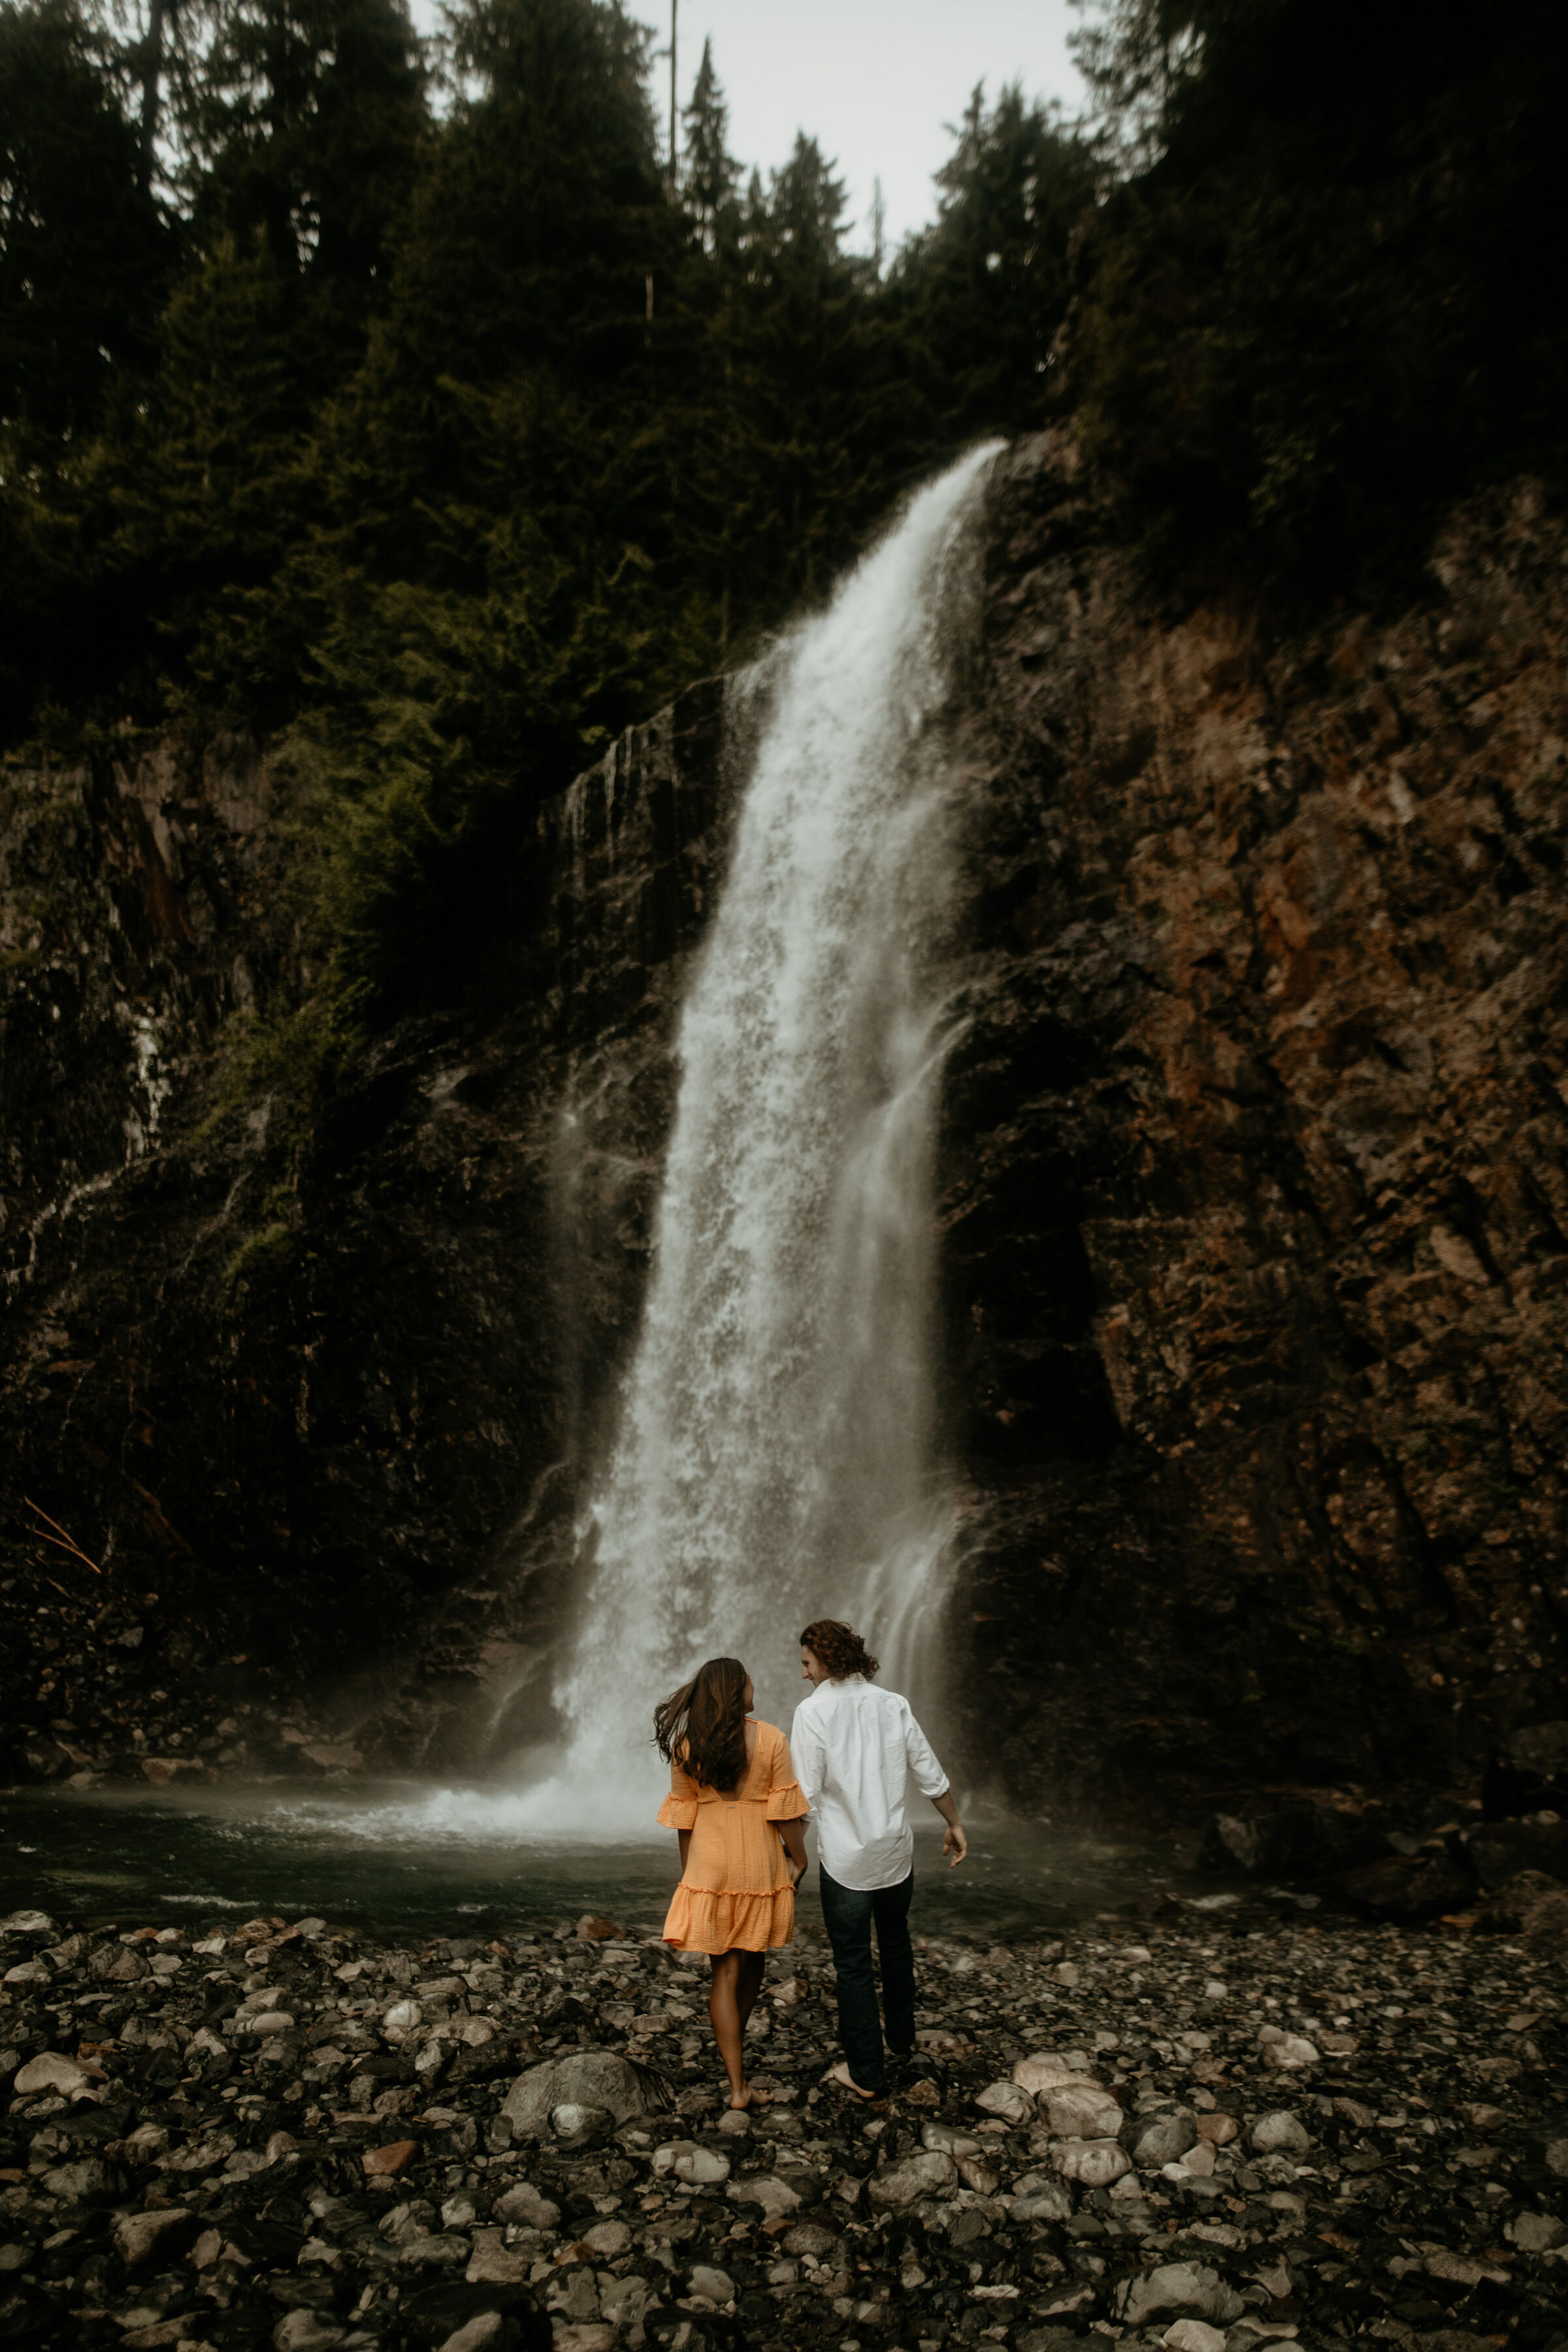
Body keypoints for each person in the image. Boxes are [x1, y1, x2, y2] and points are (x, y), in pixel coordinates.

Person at [791, 1618, 966, 2100]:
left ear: (825, 1659)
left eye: (806, 1663)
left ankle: (866, 2072)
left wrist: (791, 1856)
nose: (803, 1674)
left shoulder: (812, 1714)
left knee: (852, 1964)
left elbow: (803, 1799)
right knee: (895, 1944)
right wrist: (954, 1822)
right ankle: (903, 2039)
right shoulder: (893, 1704)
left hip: (847, 1861)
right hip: (895, 1855)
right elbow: (929, 1772)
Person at [654, 1655, 809, 2110]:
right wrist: (799, 1862)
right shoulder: (771, 1739)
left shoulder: (686, 1745)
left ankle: (735, 2077)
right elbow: (784, 1812)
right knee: (753, 1957)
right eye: (748, 1681)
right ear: (733, 1691)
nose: (754, 1685)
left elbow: (685, 1818)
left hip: (709, 1856)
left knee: (725, 1970)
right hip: (757, 1857)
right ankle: (739, 2080)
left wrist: (692, 1876)